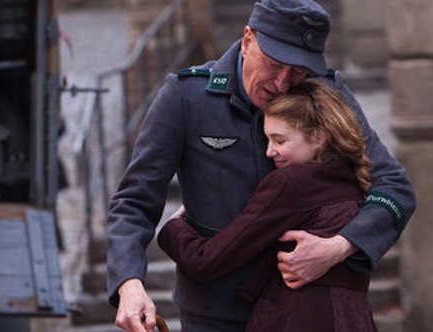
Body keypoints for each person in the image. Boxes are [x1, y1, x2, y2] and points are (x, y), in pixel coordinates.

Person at [106, 0, 416, 331]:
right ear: (248, 39)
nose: (283, 83)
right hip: (214, 313)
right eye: (274, 64)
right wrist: (129, 281)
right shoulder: (186, 96)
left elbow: (394, 187)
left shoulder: (327, 92)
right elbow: (133, 202)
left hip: (303, 314)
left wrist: (339, 246)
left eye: (298, 71)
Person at [158, 79, 378, 332]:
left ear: (318, 137)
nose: (269, 152)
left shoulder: (290, 184)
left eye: (279, 140)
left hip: (300, 319)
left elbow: (208, 261)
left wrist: (174, 228)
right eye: (268, 140)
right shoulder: (351, 178)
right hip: (355, 319)